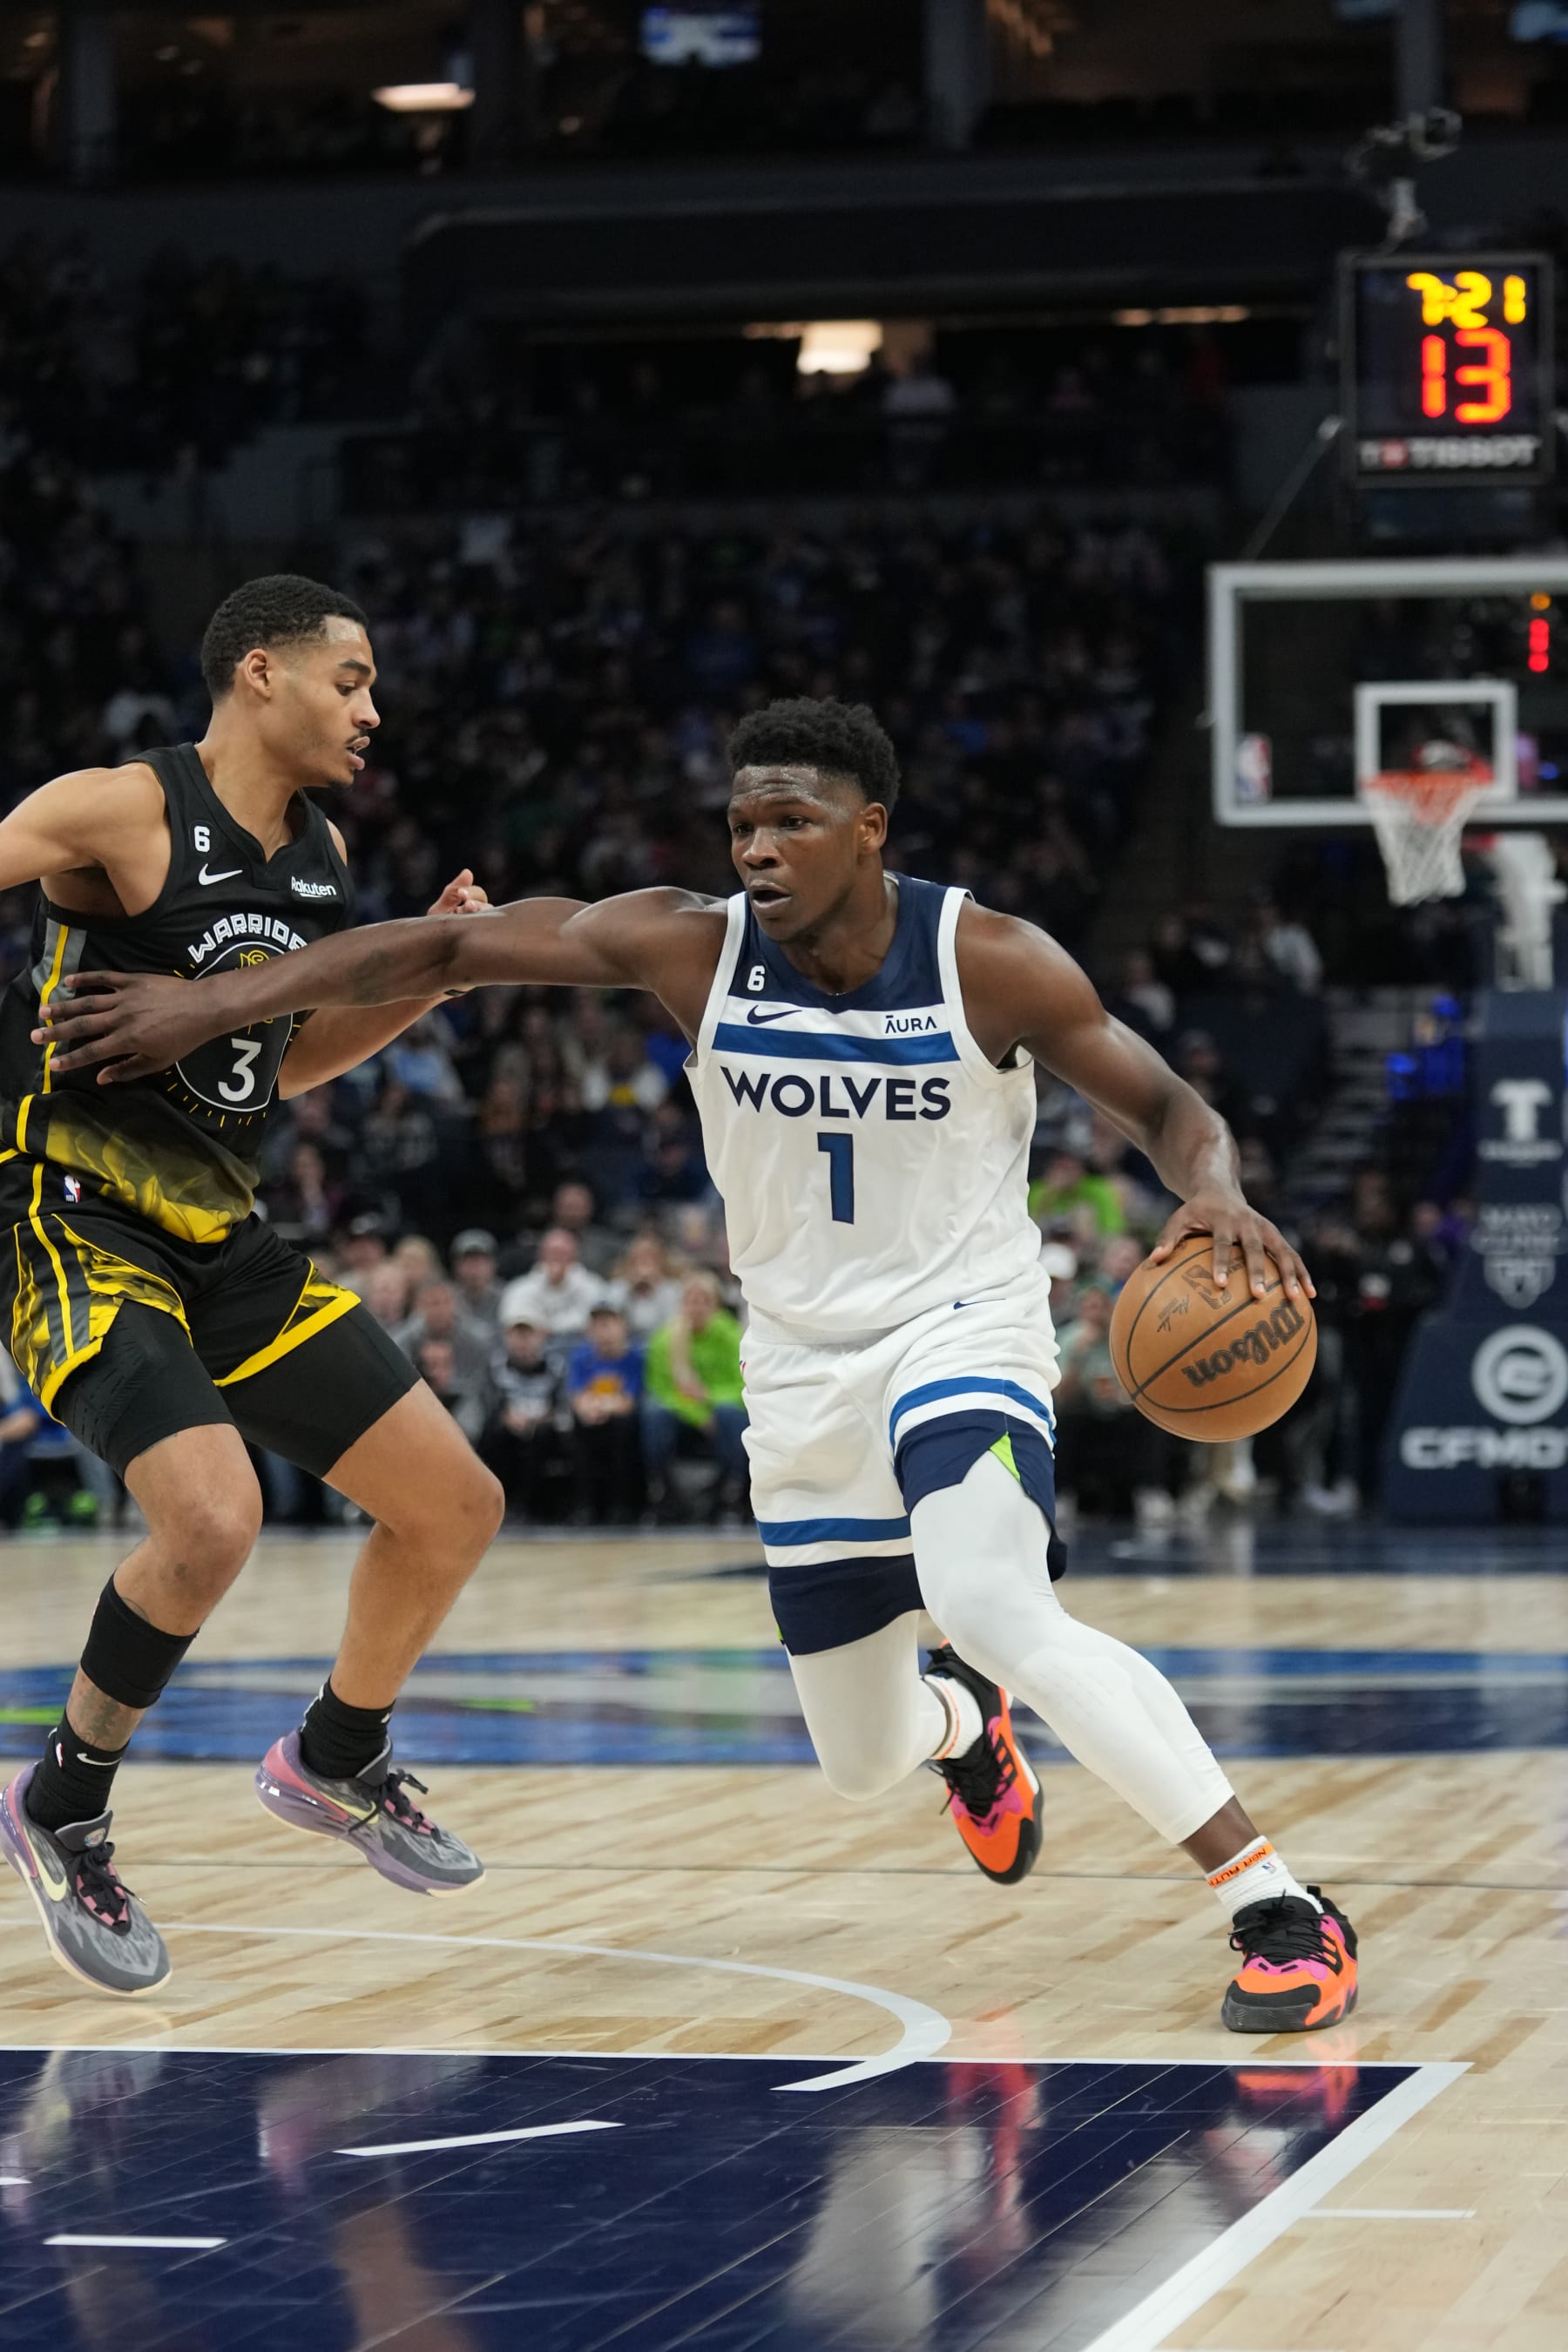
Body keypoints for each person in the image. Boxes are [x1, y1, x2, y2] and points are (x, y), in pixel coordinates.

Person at [44, 694, 1356, 2033]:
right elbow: (439, 945)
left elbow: (1168, 1107)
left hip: (962, 1329)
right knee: (862, 1760)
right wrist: (212, 1004)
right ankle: (968, 1730)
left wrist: (1217, 1189)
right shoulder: (687, 946)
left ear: (869, 829)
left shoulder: (988, 960)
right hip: (797, 1373)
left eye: (793, 821)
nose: (759, 848)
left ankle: (1280, 1908)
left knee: (994, 1604)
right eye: (742, 825)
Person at [0, 573, 503, 2001]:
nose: (372, 709)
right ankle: (62, 1801)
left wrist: (427, 984)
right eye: (352, 680)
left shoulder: (321, 855)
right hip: (79, 1217)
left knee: (455, 1504)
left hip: (225, 1239)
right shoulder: (121, 809)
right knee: (213, 1517)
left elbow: (276, 1065)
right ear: (261, 675)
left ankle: (337, 1756)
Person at [641, 1271, 748, 1522]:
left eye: (704, 1301)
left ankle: (731, 1490)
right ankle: (662, 1490)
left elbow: (742, 1385)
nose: (697, 1308)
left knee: (729, 1415)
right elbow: (660, 1389)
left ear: (716, 1305)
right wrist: (700, 1416)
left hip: (721, 1412)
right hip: (684, 1413)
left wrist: (708, 1397)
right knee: (654, 1413)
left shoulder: (732, 1336)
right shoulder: (664, 1339)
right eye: (691, 1301)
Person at [564, 1302, 645, 1524]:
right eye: (598, 1326)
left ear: (622, 1326)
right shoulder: (581, 1357)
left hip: (621, 1420)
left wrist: (602, 1407)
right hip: (593, 1416)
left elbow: (629, 1401)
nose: (604, 1331)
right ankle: (586, 1504)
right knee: (580, 1428)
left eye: (608, 1324)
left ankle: (622, 1505)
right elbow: (577, 1395)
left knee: (623, 1427)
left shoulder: (635, 1357)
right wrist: (589, 1409)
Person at [497, 1227, 607, 1343]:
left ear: (574, 1255)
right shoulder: (519, 1287)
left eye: (563, 1253)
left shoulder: (593, 1285)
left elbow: (595, 1319)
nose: (557, 1258)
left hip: (580, 1344)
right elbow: (514, 1317)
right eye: (553, 1252)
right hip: (534, 1348)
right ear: (541, 1255)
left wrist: (550, 1328)